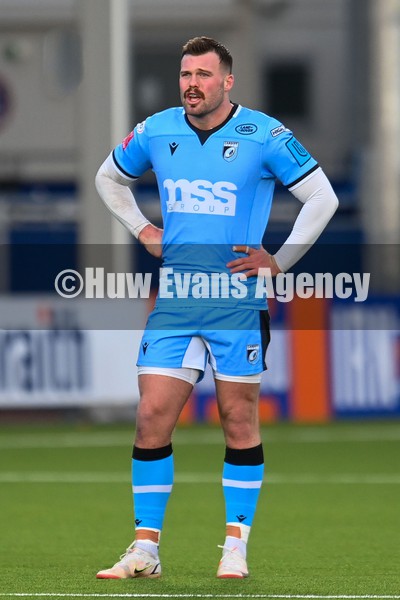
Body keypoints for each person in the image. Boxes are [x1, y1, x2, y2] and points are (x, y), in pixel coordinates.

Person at [95, 36, 338, 580]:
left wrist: (279, 260)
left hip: (236, 300)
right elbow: (107, 178)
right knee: (152, 415)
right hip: (177, 299)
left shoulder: (265, 133)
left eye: (204, 75)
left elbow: (323, 197)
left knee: (237, 418)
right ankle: (145, 550)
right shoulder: (158, 130)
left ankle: (235, 545)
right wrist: (142, 229)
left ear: (227, 81)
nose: (192, 84)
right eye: (186, 74)